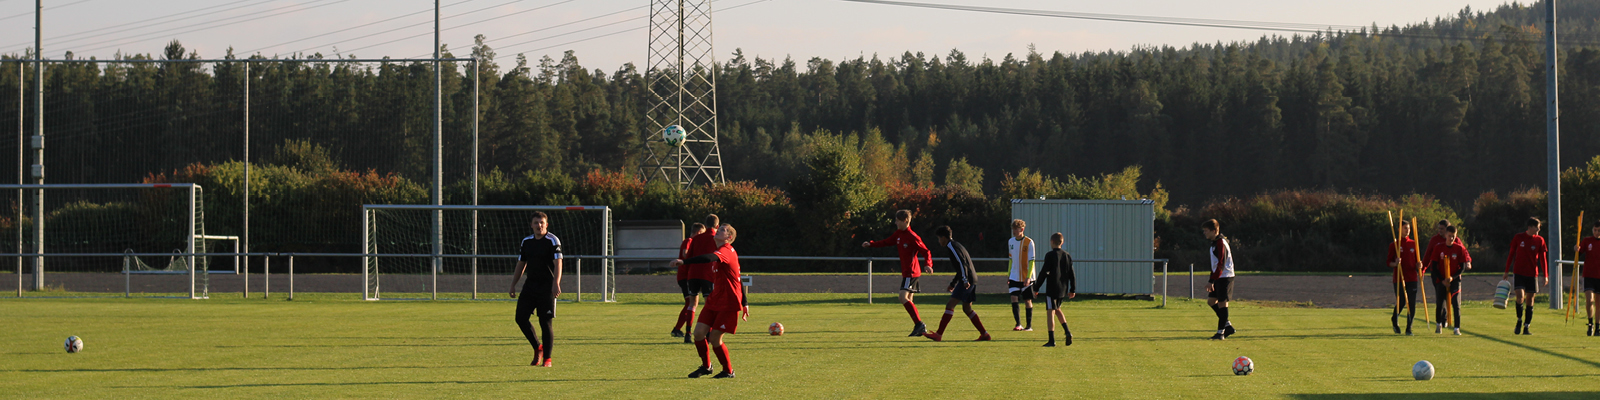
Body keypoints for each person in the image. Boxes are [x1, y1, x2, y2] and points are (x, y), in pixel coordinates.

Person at [669, 224, 748, 379]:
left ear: (729, 237)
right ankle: (707, 367)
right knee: (699, 334)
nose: (718, 231)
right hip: (714, 300)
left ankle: (728, 371)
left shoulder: (725, 251)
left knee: (714, 338)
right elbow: (738, 278)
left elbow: (708, 258)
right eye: (719, 228)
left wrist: (684, 262)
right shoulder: (720, 251)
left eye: (723, 230)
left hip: (728, 302)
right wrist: (746, 303)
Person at [862, 209, 934, 337]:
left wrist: (928, 264)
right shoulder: (899, 234)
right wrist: (871, 244)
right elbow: (886, 242)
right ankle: (919, 327)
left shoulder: (912, 236)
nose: (895, 223)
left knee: (902, 297)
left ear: (905, 221)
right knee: (909, 300)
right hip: (907, 272)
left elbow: (926, 251)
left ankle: (920, 324)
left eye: (897, 220)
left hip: (911, 272)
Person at [508, 212, 562, 367]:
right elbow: (521, 264)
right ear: (531, 225)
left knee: (545, 322)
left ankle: (547, 359)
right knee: (520, 318)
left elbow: (558, 263)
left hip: (547, 288)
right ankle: (538, 347)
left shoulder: (552, 240)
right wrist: (513, 284)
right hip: (530, 286)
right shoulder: (527, 242)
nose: (539, 225)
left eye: (542, 223)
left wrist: (556, 283)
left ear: (547, 225)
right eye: (536, 223)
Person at [921, 225, 990, 342]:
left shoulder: (951, 246)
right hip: (971, 278)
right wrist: (953, 283)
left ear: (944, 237)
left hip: (967, 280)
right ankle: (984, 334)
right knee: (967, 308)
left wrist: (964, 280)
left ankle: (938, 334)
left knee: (950, 305)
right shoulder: (956, 245)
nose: (939, 241)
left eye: (939, 238)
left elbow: (962, 264)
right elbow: (960, 267)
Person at [1501, 217, 1548, 335]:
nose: (1538, 230)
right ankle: (1519, 320)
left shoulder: (1540, 240)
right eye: (1537, 228)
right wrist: (1506, 271)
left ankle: (1526, 326)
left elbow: (1543, 259)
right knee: (1520, 297)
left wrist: (1545, 275)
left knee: (1530, 299)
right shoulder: (1518, 237)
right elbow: (1511, 254)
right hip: (1519, 272)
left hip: (1532, 274)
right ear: (1530, 227)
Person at [682, 215, 721, 343]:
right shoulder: (716, 239)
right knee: (709, 304)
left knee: (692, 304)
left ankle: (688, 333)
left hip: (693, 274)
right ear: (717, 226)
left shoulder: (696, 238)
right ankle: (708, 335)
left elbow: (689, 256)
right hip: (708, 275)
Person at [1033, 232, 1077, 347]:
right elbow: (1072, 274)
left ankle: (1051, 340)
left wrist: (1036, 287)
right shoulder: (1067, 255)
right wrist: (1072, 289)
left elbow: (1044, 272)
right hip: (1063, 288)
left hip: (1052, 288)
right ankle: (1067, 332)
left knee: (1050, 312)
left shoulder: (1050, 255)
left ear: (1052, 242)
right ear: (1062, 242)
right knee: (1057, 309)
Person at [1428, 225, 1472, 335]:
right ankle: (1439, 324)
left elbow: (1462, 267)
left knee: (1456, 304)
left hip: (1454, 279)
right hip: (1441, 279)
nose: (1451, 238)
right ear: (1446, 235)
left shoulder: (1459, 248)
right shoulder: (1438, 247)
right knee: (1440, 303)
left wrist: (1452, 278)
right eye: (1449, 236)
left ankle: (1457, 328)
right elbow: (1434, 266)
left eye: (1453, 236)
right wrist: (1442, 280)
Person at [671, 223, 708, 340]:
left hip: (688, 276)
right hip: (685, 276)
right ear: (698, 232)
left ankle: (678, 329)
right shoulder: (689, 240)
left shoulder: (693, 241)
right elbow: (685, 254)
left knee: (690, 303)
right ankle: (679, 329)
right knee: (690, 303)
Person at [1203, 219, 1237, 340]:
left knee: (1223, 303)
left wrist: (1211, 281)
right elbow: (1215, 264)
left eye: (1206, 231)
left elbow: (1221, 264)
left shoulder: (1220, 243)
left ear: (1214, 231)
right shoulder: (1214, 243)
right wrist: (1212, 279)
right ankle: (1227, 326)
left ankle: (1220, 333)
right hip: (1219, 276)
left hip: (1225, 277)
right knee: (1211, 301)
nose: (1204, 233)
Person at [1387, 220, 1422, 335]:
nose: (1407, 230)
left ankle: (1409, 328)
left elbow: (1417, 261)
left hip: (1412, 277)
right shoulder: (1394, 244)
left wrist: (1419, 265)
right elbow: (1388, 262)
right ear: (1399, 229)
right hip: (1399, 278)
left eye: (1408, 228)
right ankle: (1394, 319)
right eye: (1405, 228)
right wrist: (1396, 263)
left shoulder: (1413, 243)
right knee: (1401, 301)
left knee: (1411, 303)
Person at [1007, 219, 1038, 331]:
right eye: (1013, 229)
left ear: (1022, 229)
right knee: (1014, 297)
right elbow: (1011, 259)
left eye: (1016, 229)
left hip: (1026, 277)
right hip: (1014, 276)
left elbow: (1031, 261)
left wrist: (1029, 277)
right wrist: (1009, 274)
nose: (1014, 231)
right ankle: (1018, 324)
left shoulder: (1029, 242)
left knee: (1027, 300)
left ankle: (1028, 326)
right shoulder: (1011, 242)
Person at [1578, 222, 1600, 336]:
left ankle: (1597, 327)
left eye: (1599, 230)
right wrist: (1577, 250)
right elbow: (1579, 253)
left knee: (1598, 302)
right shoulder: (1587, 241)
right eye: (1595, 230)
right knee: (1589, 300)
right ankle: (1590, 323)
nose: (1597, 232)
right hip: (1589, 275)